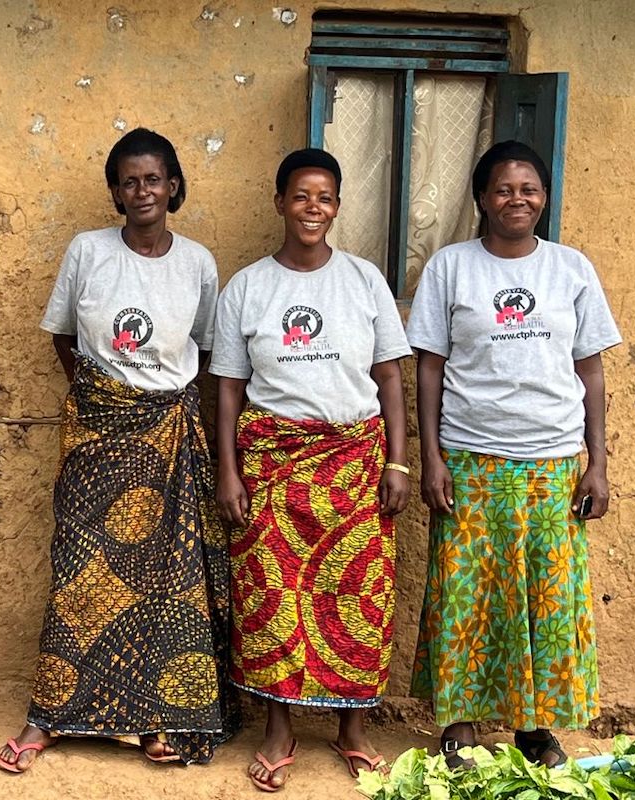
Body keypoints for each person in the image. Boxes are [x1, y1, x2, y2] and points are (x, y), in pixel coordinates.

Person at [0, 128, 238, 774]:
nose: (142, 190)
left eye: (153, 179)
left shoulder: (197, 263)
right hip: (97, 431)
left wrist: (159, 404)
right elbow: (64, 337)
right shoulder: (88, 251)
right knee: (80, 566)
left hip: (171, 433)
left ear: (173, 186)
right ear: (115, 191)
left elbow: (206, 351)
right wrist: (101, 398)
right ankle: (50, 714)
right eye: (129, 181)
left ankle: (152, 719)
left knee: (163, 579)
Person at [407, 140, 621, 769]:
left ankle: (534, 727)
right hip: (471, 460)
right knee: (467, 595)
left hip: (552, 463)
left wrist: (597, 462)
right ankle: (459, 724)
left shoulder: (570, 269)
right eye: (503, 189)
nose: (516, 199)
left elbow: (591, 371)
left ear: (544, 198)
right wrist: (432, 457)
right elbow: (429, 368)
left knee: (546, 598)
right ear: (482, 198)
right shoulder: (451, 267)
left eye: (528, 189)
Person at [210, 148, 411, 792]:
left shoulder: (364, 280)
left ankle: (353, 729)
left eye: (324, 197)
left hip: (356, 463)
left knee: (357, 595)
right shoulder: (248, 287)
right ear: (280, 203)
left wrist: (398, 461)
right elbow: (228, 388)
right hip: (271, 462)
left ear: (338, 207)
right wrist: (228, 471)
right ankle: (279, 728)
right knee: (271, 596)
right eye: (300, 196)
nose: (312, 208)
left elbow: (389, 378)